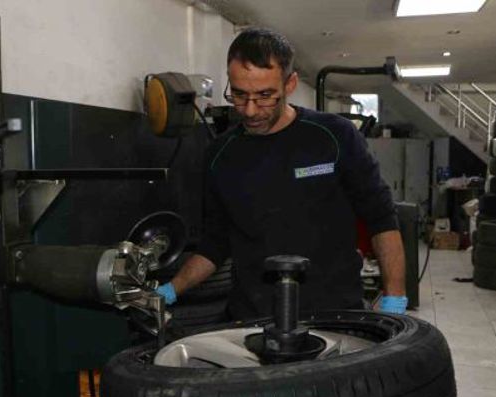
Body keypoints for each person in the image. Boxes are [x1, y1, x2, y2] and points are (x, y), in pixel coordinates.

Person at [157, 28, 407, 318]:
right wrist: (170, 290)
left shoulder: (335, 136)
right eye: (239, 95)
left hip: (333, 315)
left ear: (290, 84)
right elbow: (215, 244)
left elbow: (381, 219)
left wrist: (395, 299)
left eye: (265, 96)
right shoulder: (220, 155)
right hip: (251, 318)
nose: (250, 110)